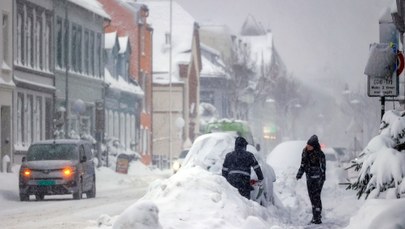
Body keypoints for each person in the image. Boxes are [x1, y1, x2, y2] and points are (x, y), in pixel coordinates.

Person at [296, 135, 326, 224]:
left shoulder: (320, 154)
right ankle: (316, 215)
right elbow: (303, 164)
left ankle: (317, 217)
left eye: (310, 145)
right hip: (309, 177)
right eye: (307, 145)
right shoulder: (305, 152)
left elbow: (323, 168)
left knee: (316, 197)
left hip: (318, 179)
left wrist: (322, 178)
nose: (308, 146)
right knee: (311, 197)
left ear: (314, 146)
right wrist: (299, 174)